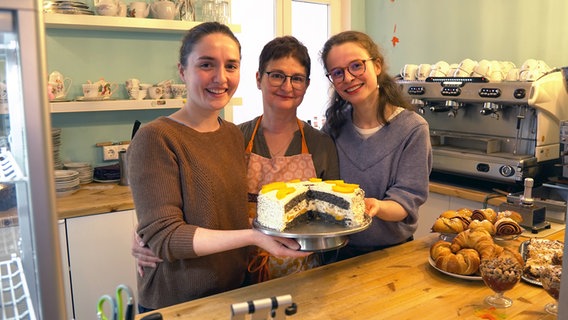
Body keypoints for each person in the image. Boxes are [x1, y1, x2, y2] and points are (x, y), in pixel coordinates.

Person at [127, 22, 309, 312]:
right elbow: (166, 236)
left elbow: (225, 215)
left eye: (231, 66)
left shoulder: (231, 135)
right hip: (180, 303)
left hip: (235, 291)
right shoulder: (155, 138)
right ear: (182, 70)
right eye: (206, 64)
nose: (220, 78)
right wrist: (253, 236)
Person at [319, 30, 433, 262]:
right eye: (338, 73)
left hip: (391, 255)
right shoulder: (334, 127)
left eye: (357, 66)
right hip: (338, 253)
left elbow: (407, 200)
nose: (349, 78)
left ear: (377, 65)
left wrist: (377, 207)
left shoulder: (412, 129)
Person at [239, 36, 339, 281]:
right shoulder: (236, 138)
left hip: (304, 274)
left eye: (297, 78)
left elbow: (332, 216)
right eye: (277, 75)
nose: (287, 86)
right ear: (258, 79)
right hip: (242, 273)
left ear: (306, 85)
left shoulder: (321, 144)